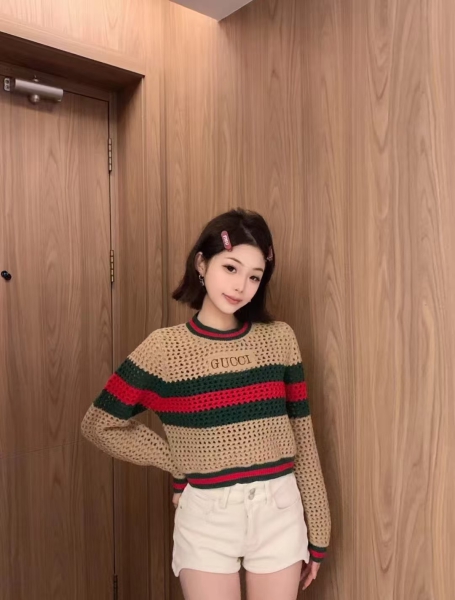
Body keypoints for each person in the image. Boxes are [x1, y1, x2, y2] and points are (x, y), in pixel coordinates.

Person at [81, 208, 331, 600]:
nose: (241, 286)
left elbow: (303, 437)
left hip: (279, 511)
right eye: (231, 268)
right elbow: (99, 423)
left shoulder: (280, 339)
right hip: (207, 517)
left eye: (254, 276)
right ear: (202, 263)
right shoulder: (164, 349)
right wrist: (176, 460)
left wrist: (320, 529)